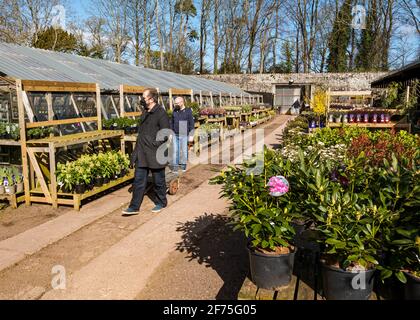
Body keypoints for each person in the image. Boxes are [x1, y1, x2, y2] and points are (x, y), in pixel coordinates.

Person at [122, 88, 170, 216]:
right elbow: (141, 134)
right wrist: (135, 153)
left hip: (155, 153)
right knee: (138, 180)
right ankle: (134, 207)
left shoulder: (161, 113)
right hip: (142, 152)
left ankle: (161, 202)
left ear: (151, 98)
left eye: (144, 97)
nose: (142, 99)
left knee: (158, 180)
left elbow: (165, 133)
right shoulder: (145, 112)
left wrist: (154, 144)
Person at [170, 96, 194, 173]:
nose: (175, 105)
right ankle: (175, 168)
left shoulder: (188, 111)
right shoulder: (174, 111)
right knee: (175, 151)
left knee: (184, 151)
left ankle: (183, 167)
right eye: (175, 103)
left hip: (184, 133)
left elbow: (191, 123)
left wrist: (191, 135)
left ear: (181, 102)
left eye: (176, 103)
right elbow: (172, 122)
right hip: (175, 134)